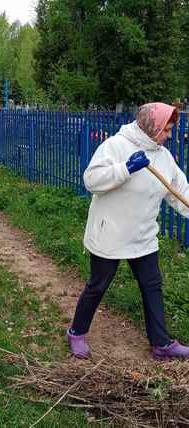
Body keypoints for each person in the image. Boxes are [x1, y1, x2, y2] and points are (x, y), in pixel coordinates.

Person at [67, 102, 189, 361]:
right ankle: (76, 332)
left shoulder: (163, 156)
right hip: (110, 233)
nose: (169, 135)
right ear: (151, 126)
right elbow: (91, 181)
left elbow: (179, 191)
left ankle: (161, 344)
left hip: (142, 235)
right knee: (98, 285)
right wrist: (126, 168)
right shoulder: (116, 146)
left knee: (152, 286)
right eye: (166, 130)